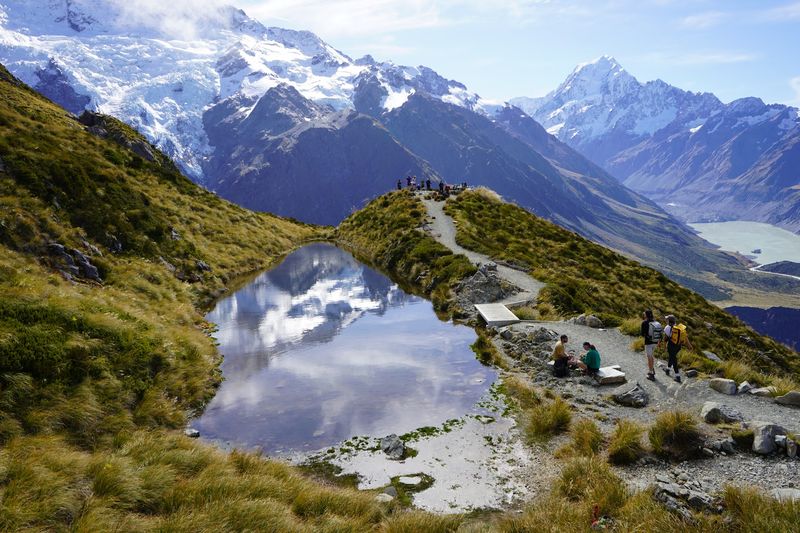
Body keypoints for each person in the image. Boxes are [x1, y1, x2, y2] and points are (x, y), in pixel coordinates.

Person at [659, 315, 693, 383]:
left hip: (671, 346)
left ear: (669, 321)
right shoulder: (679, 327)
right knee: (672, 357)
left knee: (674, 360)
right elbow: (685, 338)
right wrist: (689, 346)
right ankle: (668, 370)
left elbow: (665, 339)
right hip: (678, 346)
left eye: (667, 319)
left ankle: (678, 376)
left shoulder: (667, 328)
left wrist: (664, 346)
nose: (666, 320)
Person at [641, 309, 663, 381]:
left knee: (649, 357)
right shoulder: (656, 322)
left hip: (648, 343)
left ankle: (651, 374)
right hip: (655, 342)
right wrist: (659, 342)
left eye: (644, 314)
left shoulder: (644, 323)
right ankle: (652, 369)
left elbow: (642, 334)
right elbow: (660, 334)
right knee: (651, 356)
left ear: (646, 315)